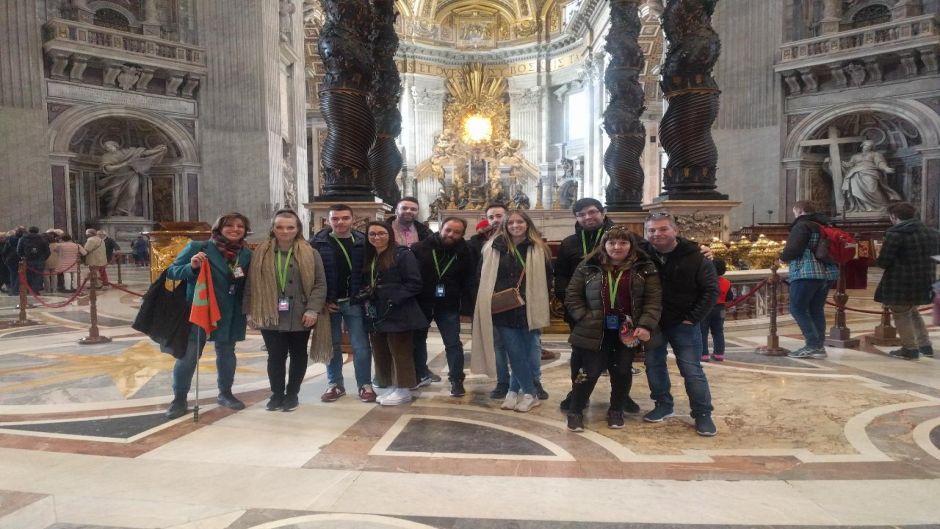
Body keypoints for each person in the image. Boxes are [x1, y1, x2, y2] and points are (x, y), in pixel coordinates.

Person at [564, 226, 662, 431]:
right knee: (587, 372)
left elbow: (653, 300)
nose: (617, 247)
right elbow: (572, 295)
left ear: (631, 245)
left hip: (627, 330)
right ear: (604, 245)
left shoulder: (644, 267)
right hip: (594, 328)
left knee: (622, 370)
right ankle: (575, 410)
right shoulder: (588, 265)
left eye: (623, 243)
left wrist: (645, 324)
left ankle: (616, 409)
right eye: (612, 243)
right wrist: (584, 316)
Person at [164, 212, 253, 420]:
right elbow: (172, 272)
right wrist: (192, 266)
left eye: (240, 226)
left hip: (230, 310)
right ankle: (179, 398)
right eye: (230, 225)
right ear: (219, 228)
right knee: (189, 355)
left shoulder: (247, 254)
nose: (235, 229)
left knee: (227, 353)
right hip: (200, 308)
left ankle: (225, 393)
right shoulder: (199, 248)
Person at [641, 212, 719, 436]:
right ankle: (663, 405)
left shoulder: (696, 256)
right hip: (653, 322)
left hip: (684, 323)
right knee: (654, 365)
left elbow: (710, 290)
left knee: (691, 369)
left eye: (663, 229)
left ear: (675, 230)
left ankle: (703, 413)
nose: (657, 234)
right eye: (652, 230)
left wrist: (693, 318)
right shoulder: (641, 255)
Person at [246, 209, 329, 411]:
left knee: (299, 354)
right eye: (279, 227)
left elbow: (320, 284)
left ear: (297, 228)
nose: (284, 231)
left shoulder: (311, 252)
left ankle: (292, 394)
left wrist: (312, 310)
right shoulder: (259, 253)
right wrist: (250, 311)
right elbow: (250, 284)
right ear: (273, 228)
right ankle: (276, 394)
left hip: (301, 313)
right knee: (275, 355)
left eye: (290, 227)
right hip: (269, 311)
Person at [554, 198, 631, 412]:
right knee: (581, 358)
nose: (587, 217)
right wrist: (571, 306)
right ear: (576, 218)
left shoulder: (622, 238)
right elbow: (560, 275)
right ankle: (578, 393)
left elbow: (643, 262)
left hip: (619, 312)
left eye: (592, 212)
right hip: (582, 314)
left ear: (603, 212)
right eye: (581, 214)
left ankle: (622, 396)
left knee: (620, 358)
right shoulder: (569, 243)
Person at [471, 210, 552, 413]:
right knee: (514, 352)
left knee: (525, 352)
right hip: (502, 307)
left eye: (520, 222)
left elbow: (548, 279)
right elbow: (481, 276)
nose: (515, 226)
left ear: (527, 224)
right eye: (511, 223)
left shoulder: (538, 248)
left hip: (529, 306)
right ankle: (530, 393)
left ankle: (515, 392)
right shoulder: (493, 247)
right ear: (505, 226)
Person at [309, 204, 376, 403]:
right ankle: (335, 384)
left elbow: (368, 272)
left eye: (345, 218)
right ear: (328, 221)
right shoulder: (317, 243)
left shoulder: (363, 242)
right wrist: (322, 301)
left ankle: (365, 385)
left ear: (352, 220)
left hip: (354, 302)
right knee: (332, 345)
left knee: (361, 345)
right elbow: (312, 275)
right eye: (335, 218)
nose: (340, 222)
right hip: (328, 303)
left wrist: (362, 297)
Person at [361, 221, 427, 406]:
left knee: (400, 351)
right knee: (381, 350)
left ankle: (404, 389)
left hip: (399, 310)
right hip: (377, 310)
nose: (376, 237)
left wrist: (393, 299)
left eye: (381, 233)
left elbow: (414, 283)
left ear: (390, 234)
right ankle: (392, 385)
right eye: (372, 234)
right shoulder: (371, 256)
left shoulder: (403, 255)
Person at [411, 217, 478, 396]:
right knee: (417, 341)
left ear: (463, 234)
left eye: (457, 232)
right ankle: (420, 373)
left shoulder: (467, 252)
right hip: (422, 303)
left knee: (453, 343)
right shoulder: (419, 248)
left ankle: (456, 379)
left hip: (448, 305)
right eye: (448, 230)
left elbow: (470, 281)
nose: (451, 235)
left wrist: (466, 309)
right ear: (441, 228)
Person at [874, 201, 940, 360]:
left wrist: (878, 254)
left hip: (901, 281)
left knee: (901, 313)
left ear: (894, 217)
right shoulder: (932, 233)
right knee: (912, 310)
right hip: (925, 279)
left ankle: (909, 348)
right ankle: (925, 345)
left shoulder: (895, 233)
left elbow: (884, 261)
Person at [779, 200, 840, 359]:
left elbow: (793, 249)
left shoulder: (802, 225)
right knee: (815, 309)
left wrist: (782, 258)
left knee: (797, 308)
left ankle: (813, 345)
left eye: (794, 212)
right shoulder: (824, 224)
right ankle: (819, 346)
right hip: (826, 273)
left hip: (807, 271)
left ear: (799, 211)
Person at [98, 140, 167, 217]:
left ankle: (127, 212)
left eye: (110, 146)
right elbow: (108, 168)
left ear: (115, 145)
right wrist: (123, 164)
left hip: (132, 174)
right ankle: (110, 213)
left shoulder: (128, 152)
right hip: (116, 177)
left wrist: (157, 150)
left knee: (132, 194)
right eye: (107, 148)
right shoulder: (106, 157)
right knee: (114, 196)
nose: (109, 148)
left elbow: (143, 153)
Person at [840, 140, 902, 212]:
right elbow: (849, 165)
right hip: (855, 174)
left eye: (870, 146)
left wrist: (886, 168)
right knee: (856, 190)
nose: (867, 147)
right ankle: (867, 207)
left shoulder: (875, 154)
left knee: (871, 189)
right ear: (862, 146)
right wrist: (842, 163)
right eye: (866, 145)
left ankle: (881, 205)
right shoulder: (855, 156)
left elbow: (880, 163)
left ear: (872, 147)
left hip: (870, 173)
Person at [701, 258, 733, 362]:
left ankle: (704, 354)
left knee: (703, 332)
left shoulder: (706, 281)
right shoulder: (727, 282)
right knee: (718, 331)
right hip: (720, 308)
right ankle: (719, 353)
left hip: (706, 308)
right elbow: (729, 298)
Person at [17, 226, 51, 294]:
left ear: (29, 231)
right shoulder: (42, 239)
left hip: (27, 260)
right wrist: (43, 258)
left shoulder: (23, 238)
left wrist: (23, 257)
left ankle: (27, 289)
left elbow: (19, 250)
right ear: (37, 231)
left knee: (27, 275)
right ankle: (35, 290)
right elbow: (47, 251)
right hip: (39, 260)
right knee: (38, 276)